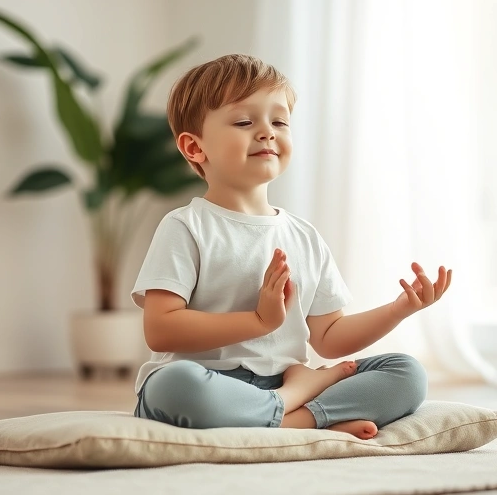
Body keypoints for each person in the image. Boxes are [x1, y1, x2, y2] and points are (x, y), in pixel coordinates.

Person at [131, 54, 452, 439]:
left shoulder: (305, 236)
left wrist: (397, 310)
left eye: (279, 121)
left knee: (406, 373)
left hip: (276, 383)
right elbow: (161, 330)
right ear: (195, 148)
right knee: (173, 385)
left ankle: (283, 416)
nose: (267, 132)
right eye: (245, 121)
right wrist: (259, 322)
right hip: (211, 385)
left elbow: (329, 337)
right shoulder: (185, 226)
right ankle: (303, 415)